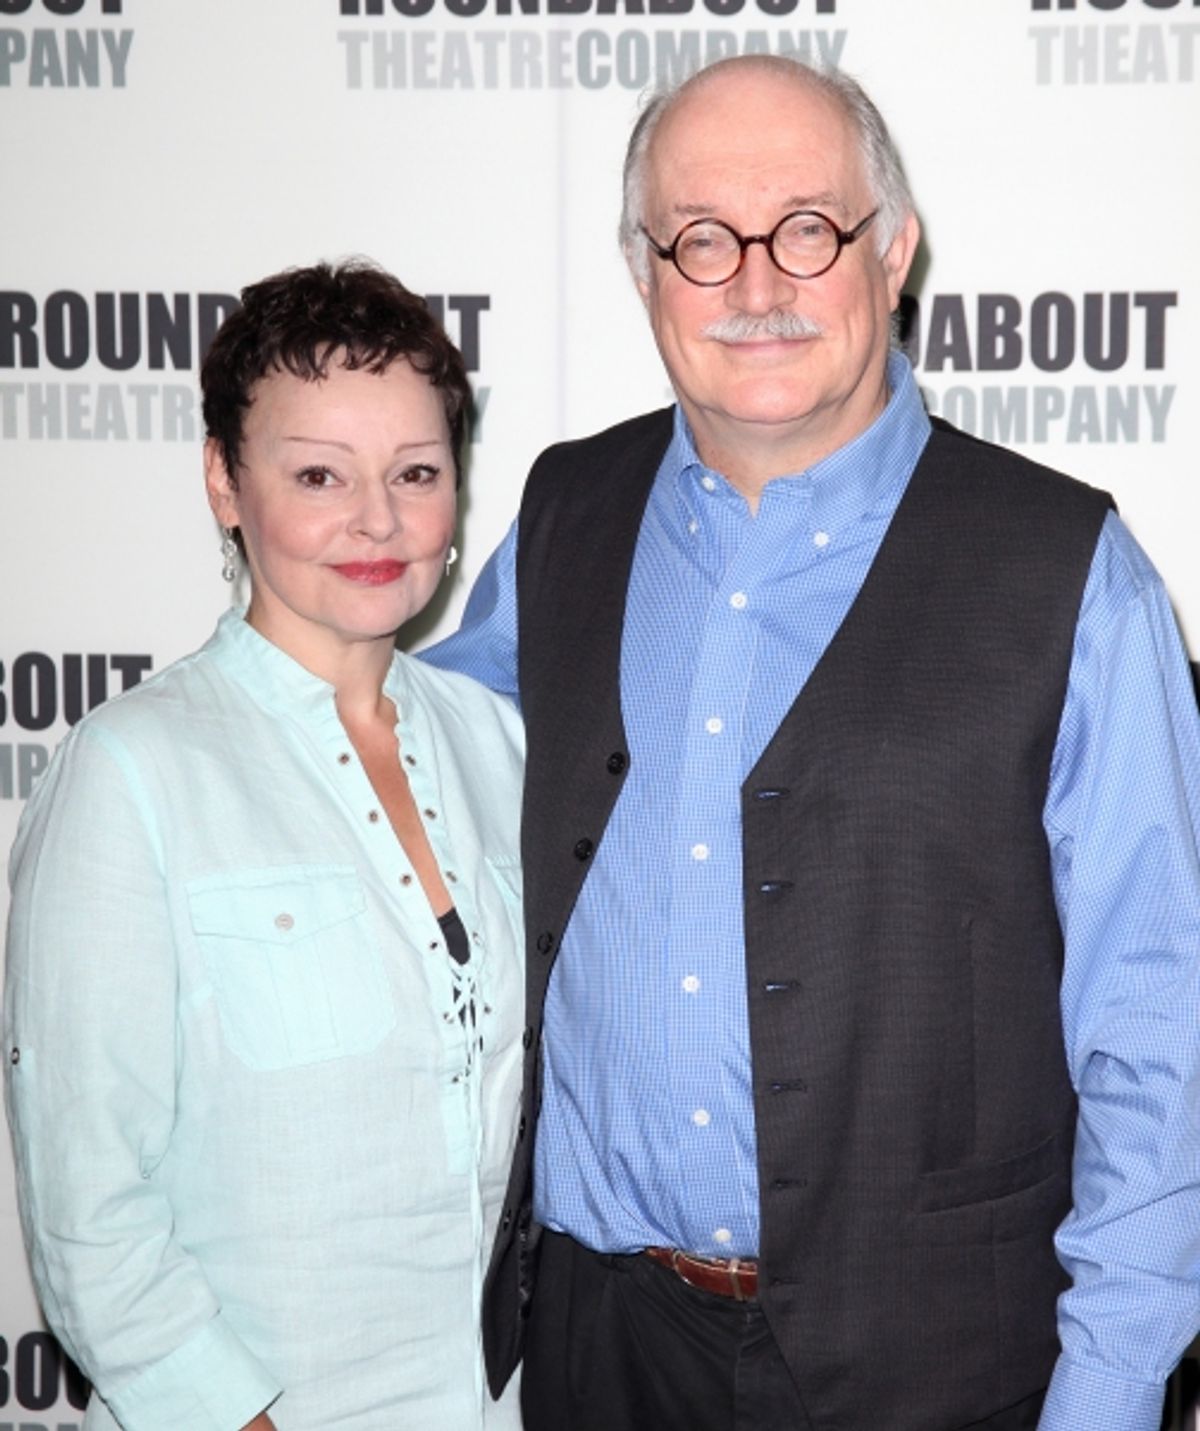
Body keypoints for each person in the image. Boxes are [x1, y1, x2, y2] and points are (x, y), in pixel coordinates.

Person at [422, 55, 1200, 1431]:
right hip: (602, 1351)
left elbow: (1164, 1034)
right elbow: (401, 749)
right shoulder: (562, 516)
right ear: (642, 268)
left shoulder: (1076, 575)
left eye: (809, 229)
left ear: (893, 253)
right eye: (702, 239)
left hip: (945, 1367)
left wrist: (1112, 1389)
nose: (757, 283)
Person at [2, 261, 525, 1431]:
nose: (377, 520)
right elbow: (91, 1205)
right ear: (224, 484)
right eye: (318, 476)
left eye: (416, 474)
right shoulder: (130, 771)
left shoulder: (503, 749)